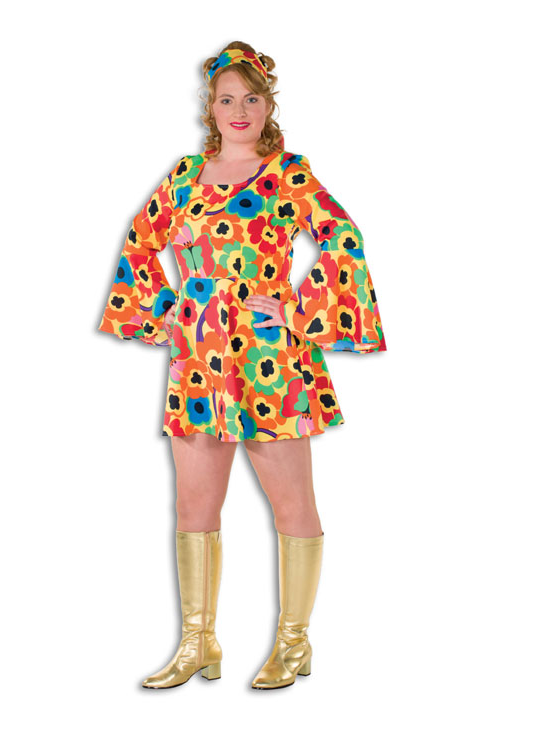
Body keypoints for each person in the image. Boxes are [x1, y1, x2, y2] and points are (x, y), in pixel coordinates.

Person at [98, 41, 387, 690]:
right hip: (199, 359)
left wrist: (297, 307)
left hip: (268, 358)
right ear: (210, 106)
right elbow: (140, 243)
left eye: (251, 98)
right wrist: (167, 311)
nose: (239, 109)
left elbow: (343, 237)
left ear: (267, 105)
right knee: (193, 505)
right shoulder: (184, 177)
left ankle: (294, 642)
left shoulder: (287, 174)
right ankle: (198, 641)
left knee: (292, 504)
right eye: (227, 98)